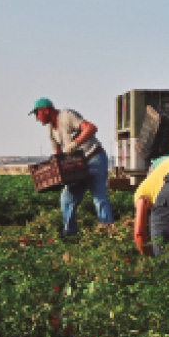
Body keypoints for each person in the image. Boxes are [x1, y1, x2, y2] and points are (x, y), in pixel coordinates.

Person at [30, 97, 113, 237]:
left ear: (46, 110)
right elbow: (58, 157)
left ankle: (107, 233)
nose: (37, 118)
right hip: (77, 167)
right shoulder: (51, 131)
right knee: (67, 199)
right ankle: (70, 235)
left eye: (37, 113)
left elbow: (91, 128)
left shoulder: (66, 115)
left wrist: (75, 144)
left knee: (99, 198)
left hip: (94, 158)